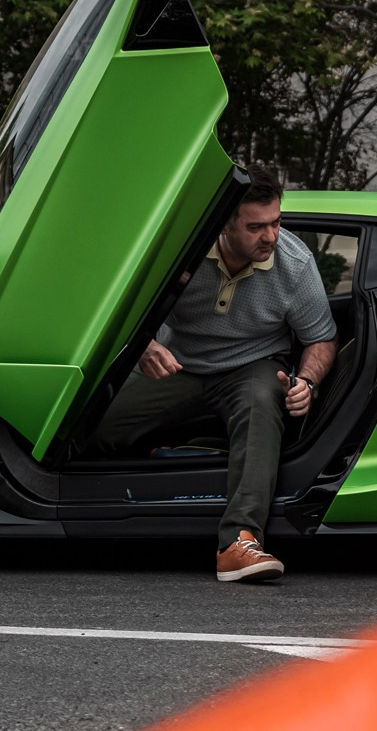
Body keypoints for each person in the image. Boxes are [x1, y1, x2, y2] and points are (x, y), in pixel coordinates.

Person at [93, 171, 337, 582]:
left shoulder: (294, 264)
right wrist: (145, 344)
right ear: (224, 225)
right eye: (255, 227)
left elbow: (322, 338)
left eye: (276, 222)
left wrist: (308, 382)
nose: (271, 237)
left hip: (252, 364)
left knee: (263, 404)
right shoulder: (181, 251)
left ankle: (238, 543)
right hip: (180, 362)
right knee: (98, 427)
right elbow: (117, 307)